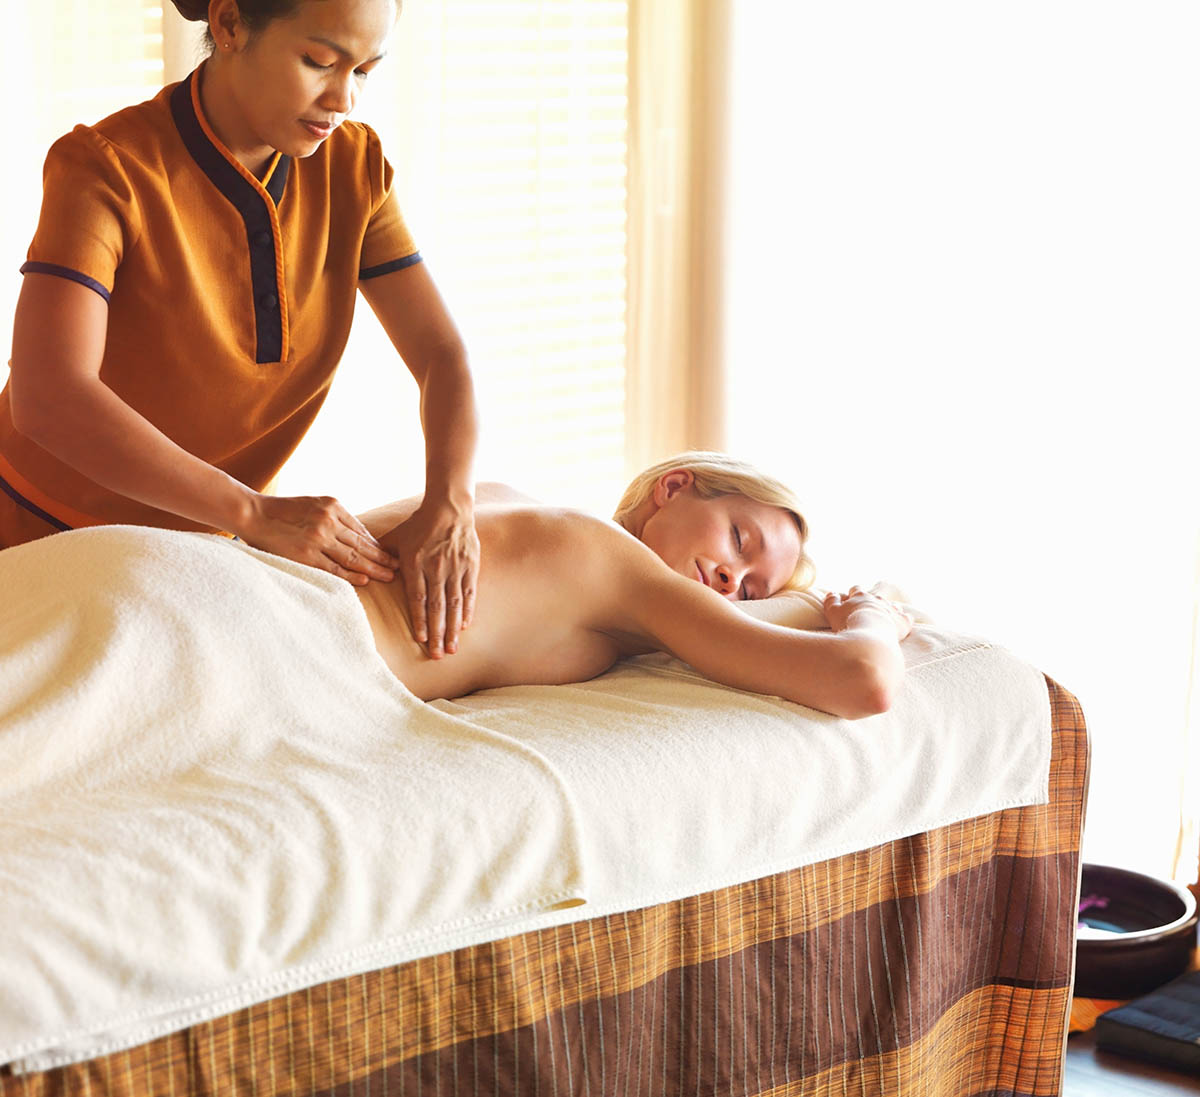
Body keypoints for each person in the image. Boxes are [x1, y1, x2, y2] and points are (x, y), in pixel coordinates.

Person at [0, 0, 478, 659]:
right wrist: (254, 513)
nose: (344, 99)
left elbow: (441, 352)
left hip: (208, 555)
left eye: (365, 71)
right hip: (41, 541)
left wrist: (451, 503)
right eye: (319, 61)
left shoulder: (352, 166)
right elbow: (47, 395)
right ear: (228, 25)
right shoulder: (108, 167)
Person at [351, 452, 912, 718]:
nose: (729, 579)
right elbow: (864, 680)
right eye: (739, 539)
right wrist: (875, 616)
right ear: (673, 487)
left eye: (750, 592)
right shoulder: (617, 565)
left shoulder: (500, 495)